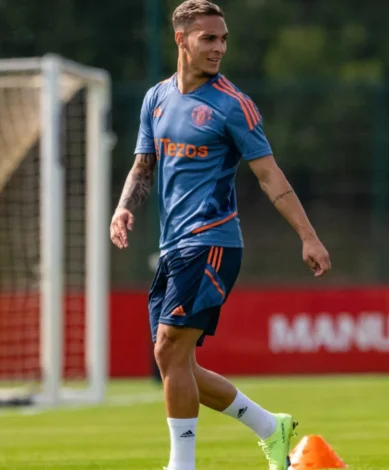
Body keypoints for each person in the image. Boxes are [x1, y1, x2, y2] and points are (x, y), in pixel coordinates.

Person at [109, 1, 332, 469]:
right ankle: (271, 428)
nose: (219, 48)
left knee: (169, 349)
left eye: (223, 39)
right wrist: (124, 207)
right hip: (172, 247)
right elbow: (143, 165)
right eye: (209, 38)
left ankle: (182, 465)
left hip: (212, 242)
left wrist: (308, 236)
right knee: (175, 363)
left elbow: (270, 176)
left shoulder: (233, 105)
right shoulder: (156, 98)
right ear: (181, 39)